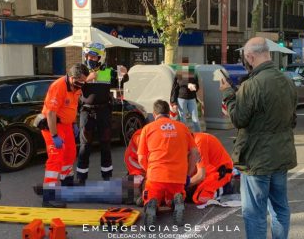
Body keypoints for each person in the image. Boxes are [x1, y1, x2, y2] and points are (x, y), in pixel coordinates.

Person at [219, 37, 297, 239]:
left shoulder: (251, 85)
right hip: (281, 155)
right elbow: (292, 118)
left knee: (255, 213)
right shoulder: (288, 81)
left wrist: (228, 93)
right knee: (280, 208)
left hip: (257, 159)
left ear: (250, 57)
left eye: (246, 58)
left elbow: (238, 119)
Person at [137, 100, 199, 228]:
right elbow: (194, 153)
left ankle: (152, 202)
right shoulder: (183, 127)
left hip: (156, 176)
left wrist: (149, 170)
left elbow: (141, 157)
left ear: (154, 114)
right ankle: (176, 201)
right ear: (168, 113)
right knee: (174, 195)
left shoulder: (147, 128)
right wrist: (187, 174)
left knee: (150, 194)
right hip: (177, 177)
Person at [76, 42, 129, 183]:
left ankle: (107, 176)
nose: (90, 59)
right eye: (87, 56)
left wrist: (124, 72)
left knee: (105, 143)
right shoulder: (80, 71)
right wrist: (87, 79)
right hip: (86, 112)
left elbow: (123, 80)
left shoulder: (108, 71)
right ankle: (81, 176)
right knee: (85, 145)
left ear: (101, 58)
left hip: (104, 111)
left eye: (93, 57)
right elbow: (72, 86)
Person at [38, 63, 89, 208]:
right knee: (56, 157)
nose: (81, 85)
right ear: (72, 78)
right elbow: (51, 113)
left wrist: (73, 123)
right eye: (80, 82)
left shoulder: (76, 87)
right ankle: (49, 196)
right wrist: (54, 135)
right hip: (53, 126)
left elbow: (72, 107)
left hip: (66, 125)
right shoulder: (58, 87)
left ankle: (67, 183)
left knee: (70, 154)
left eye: (84, 82)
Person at [187, 132, 234, 205]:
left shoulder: (199, 142)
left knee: (199, 197)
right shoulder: (191, 142)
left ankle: (226, 187)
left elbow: (201, 175)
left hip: (220, 174)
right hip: (208, 172)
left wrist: (183, 186)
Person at [170, 59, 201, 132]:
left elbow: (197, 85)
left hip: (192, 98)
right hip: (181, 98)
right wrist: (174, 102)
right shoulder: (178, 73)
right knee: (183, 119)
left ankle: (198, 134)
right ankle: (184, 134)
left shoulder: (192, 73)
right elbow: (175, 88)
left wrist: (195, 87)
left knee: (195, 118)